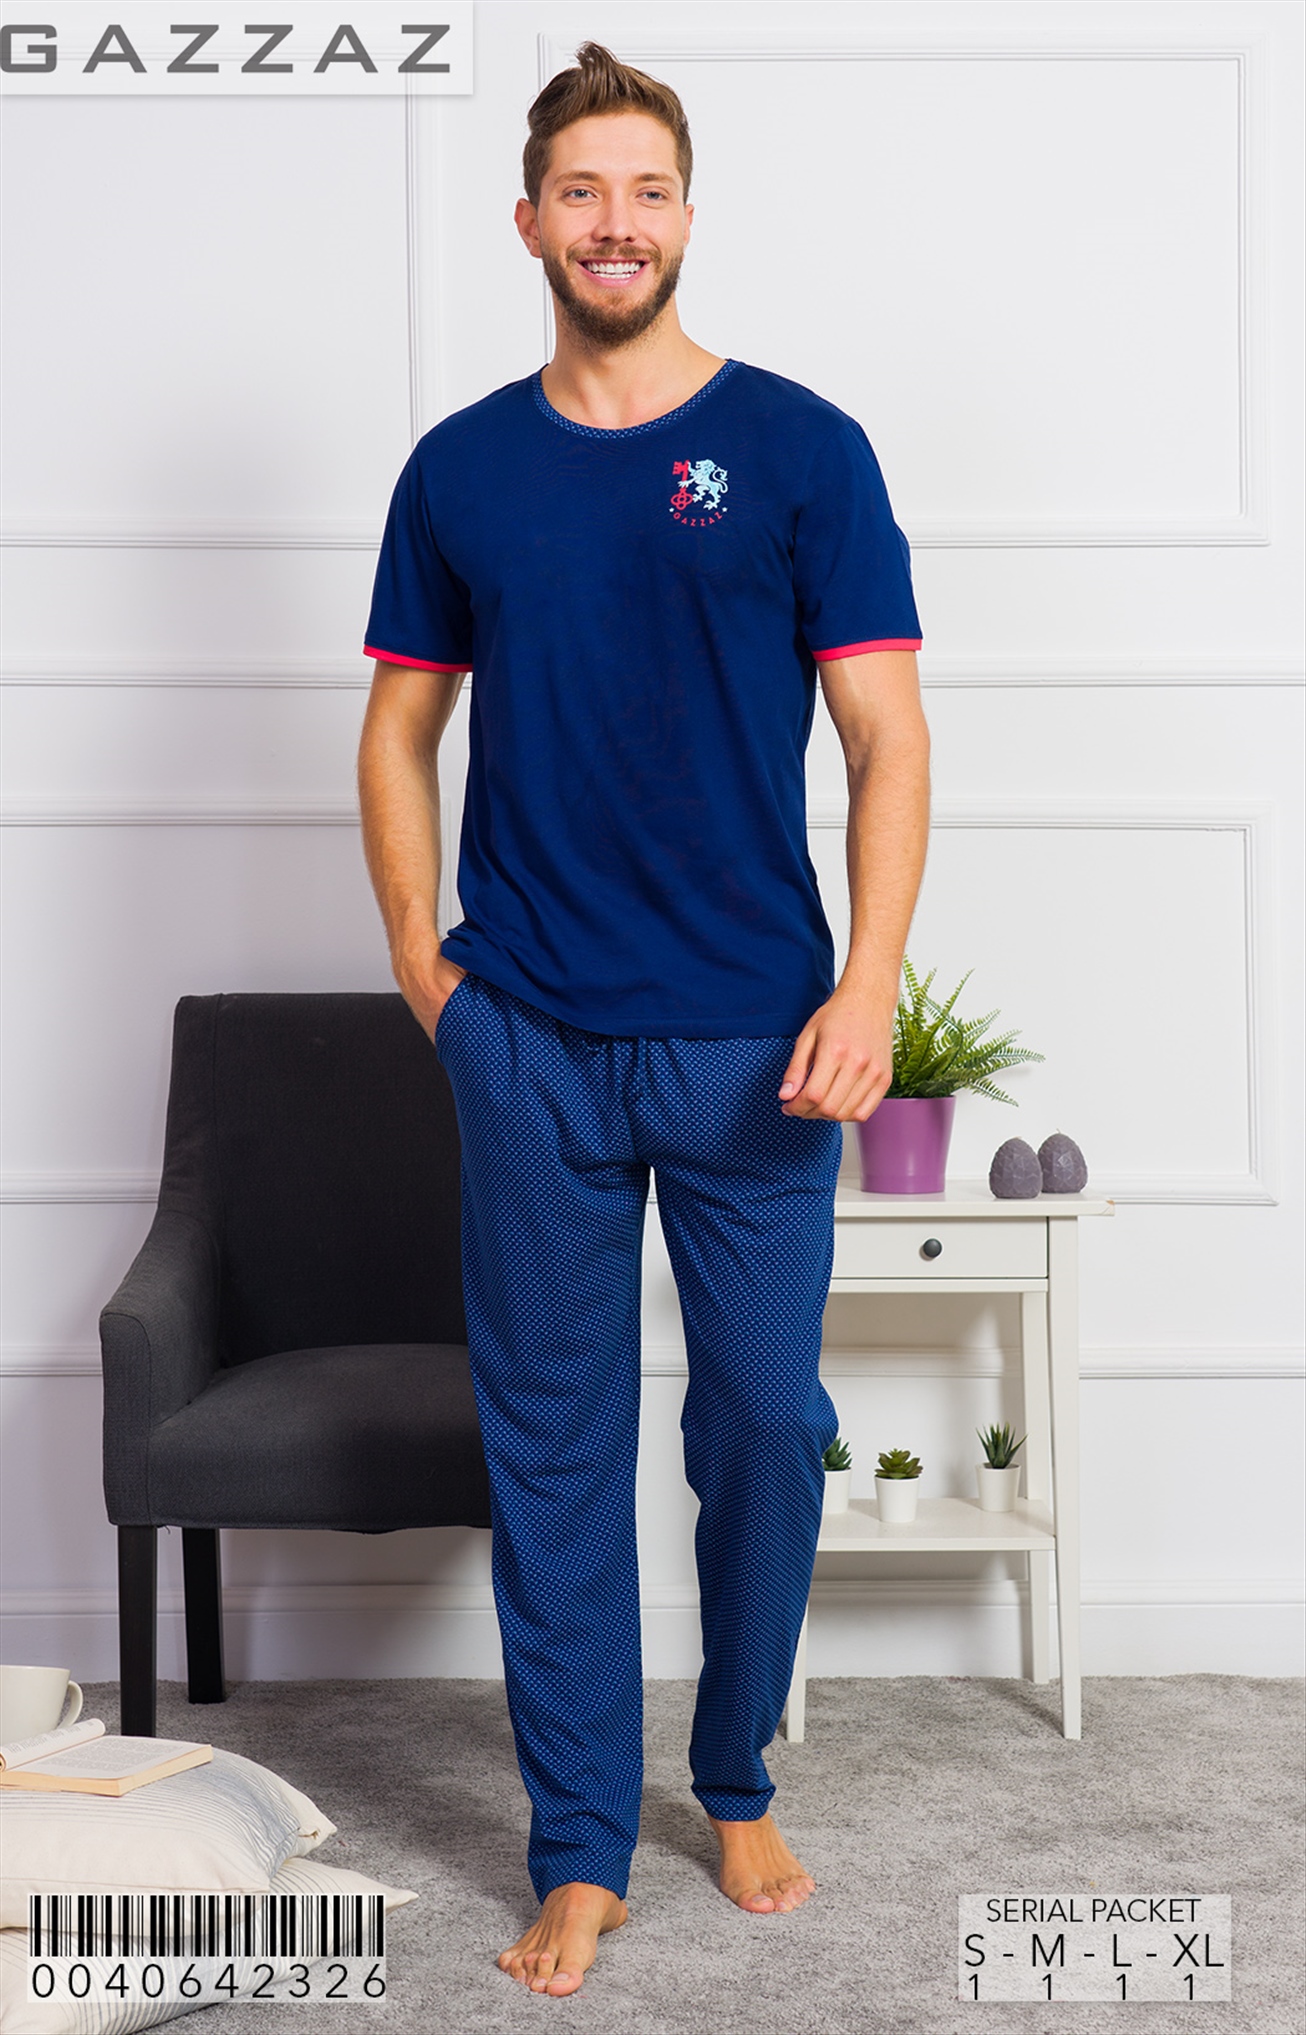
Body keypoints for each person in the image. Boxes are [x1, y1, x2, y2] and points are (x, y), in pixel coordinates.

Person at [357, 40, 930, 1999]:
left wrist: (865, 982)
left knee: (763, 1419)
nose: (617, 224)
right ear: (529, 222)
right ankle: (580, 1846)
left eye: (648, 191)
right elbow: (397, 731)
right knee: (554, 1452)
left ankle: (734, 1769)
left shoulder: (800, 449)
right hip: (523, 1032)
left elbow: (883, 736)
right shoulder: (458, 469)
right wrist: (423, 968)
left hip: (757, 1040)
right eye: (583, 192)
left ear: (687, 216)